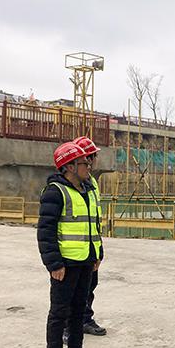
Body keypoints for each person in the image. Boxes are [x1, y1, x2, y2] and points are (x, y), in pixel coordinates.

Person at [38, 141, 103, 348]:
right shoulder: (55, 192)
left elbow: (93, 225)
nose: (89, 166)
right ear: (69, 166)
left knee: (78, 311)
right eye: (84, 162)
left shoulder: (87, 189)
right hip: (65, 264)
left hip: (85, 261)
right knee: (59, 313)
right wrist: (54, 264)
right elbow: (45, 232)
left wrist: (97, 254)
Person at [72, 136, 107, 337]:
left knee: (89, 285)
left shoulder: (91, 182)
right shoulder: (70, 185)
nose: (93, 161)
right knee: (71, 291)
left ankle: (85, 319)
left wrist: (98, 249)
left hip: (91, 245)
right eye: (92, 157)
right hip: (73, 250)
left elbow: (94, 217)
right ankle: (68, 327)